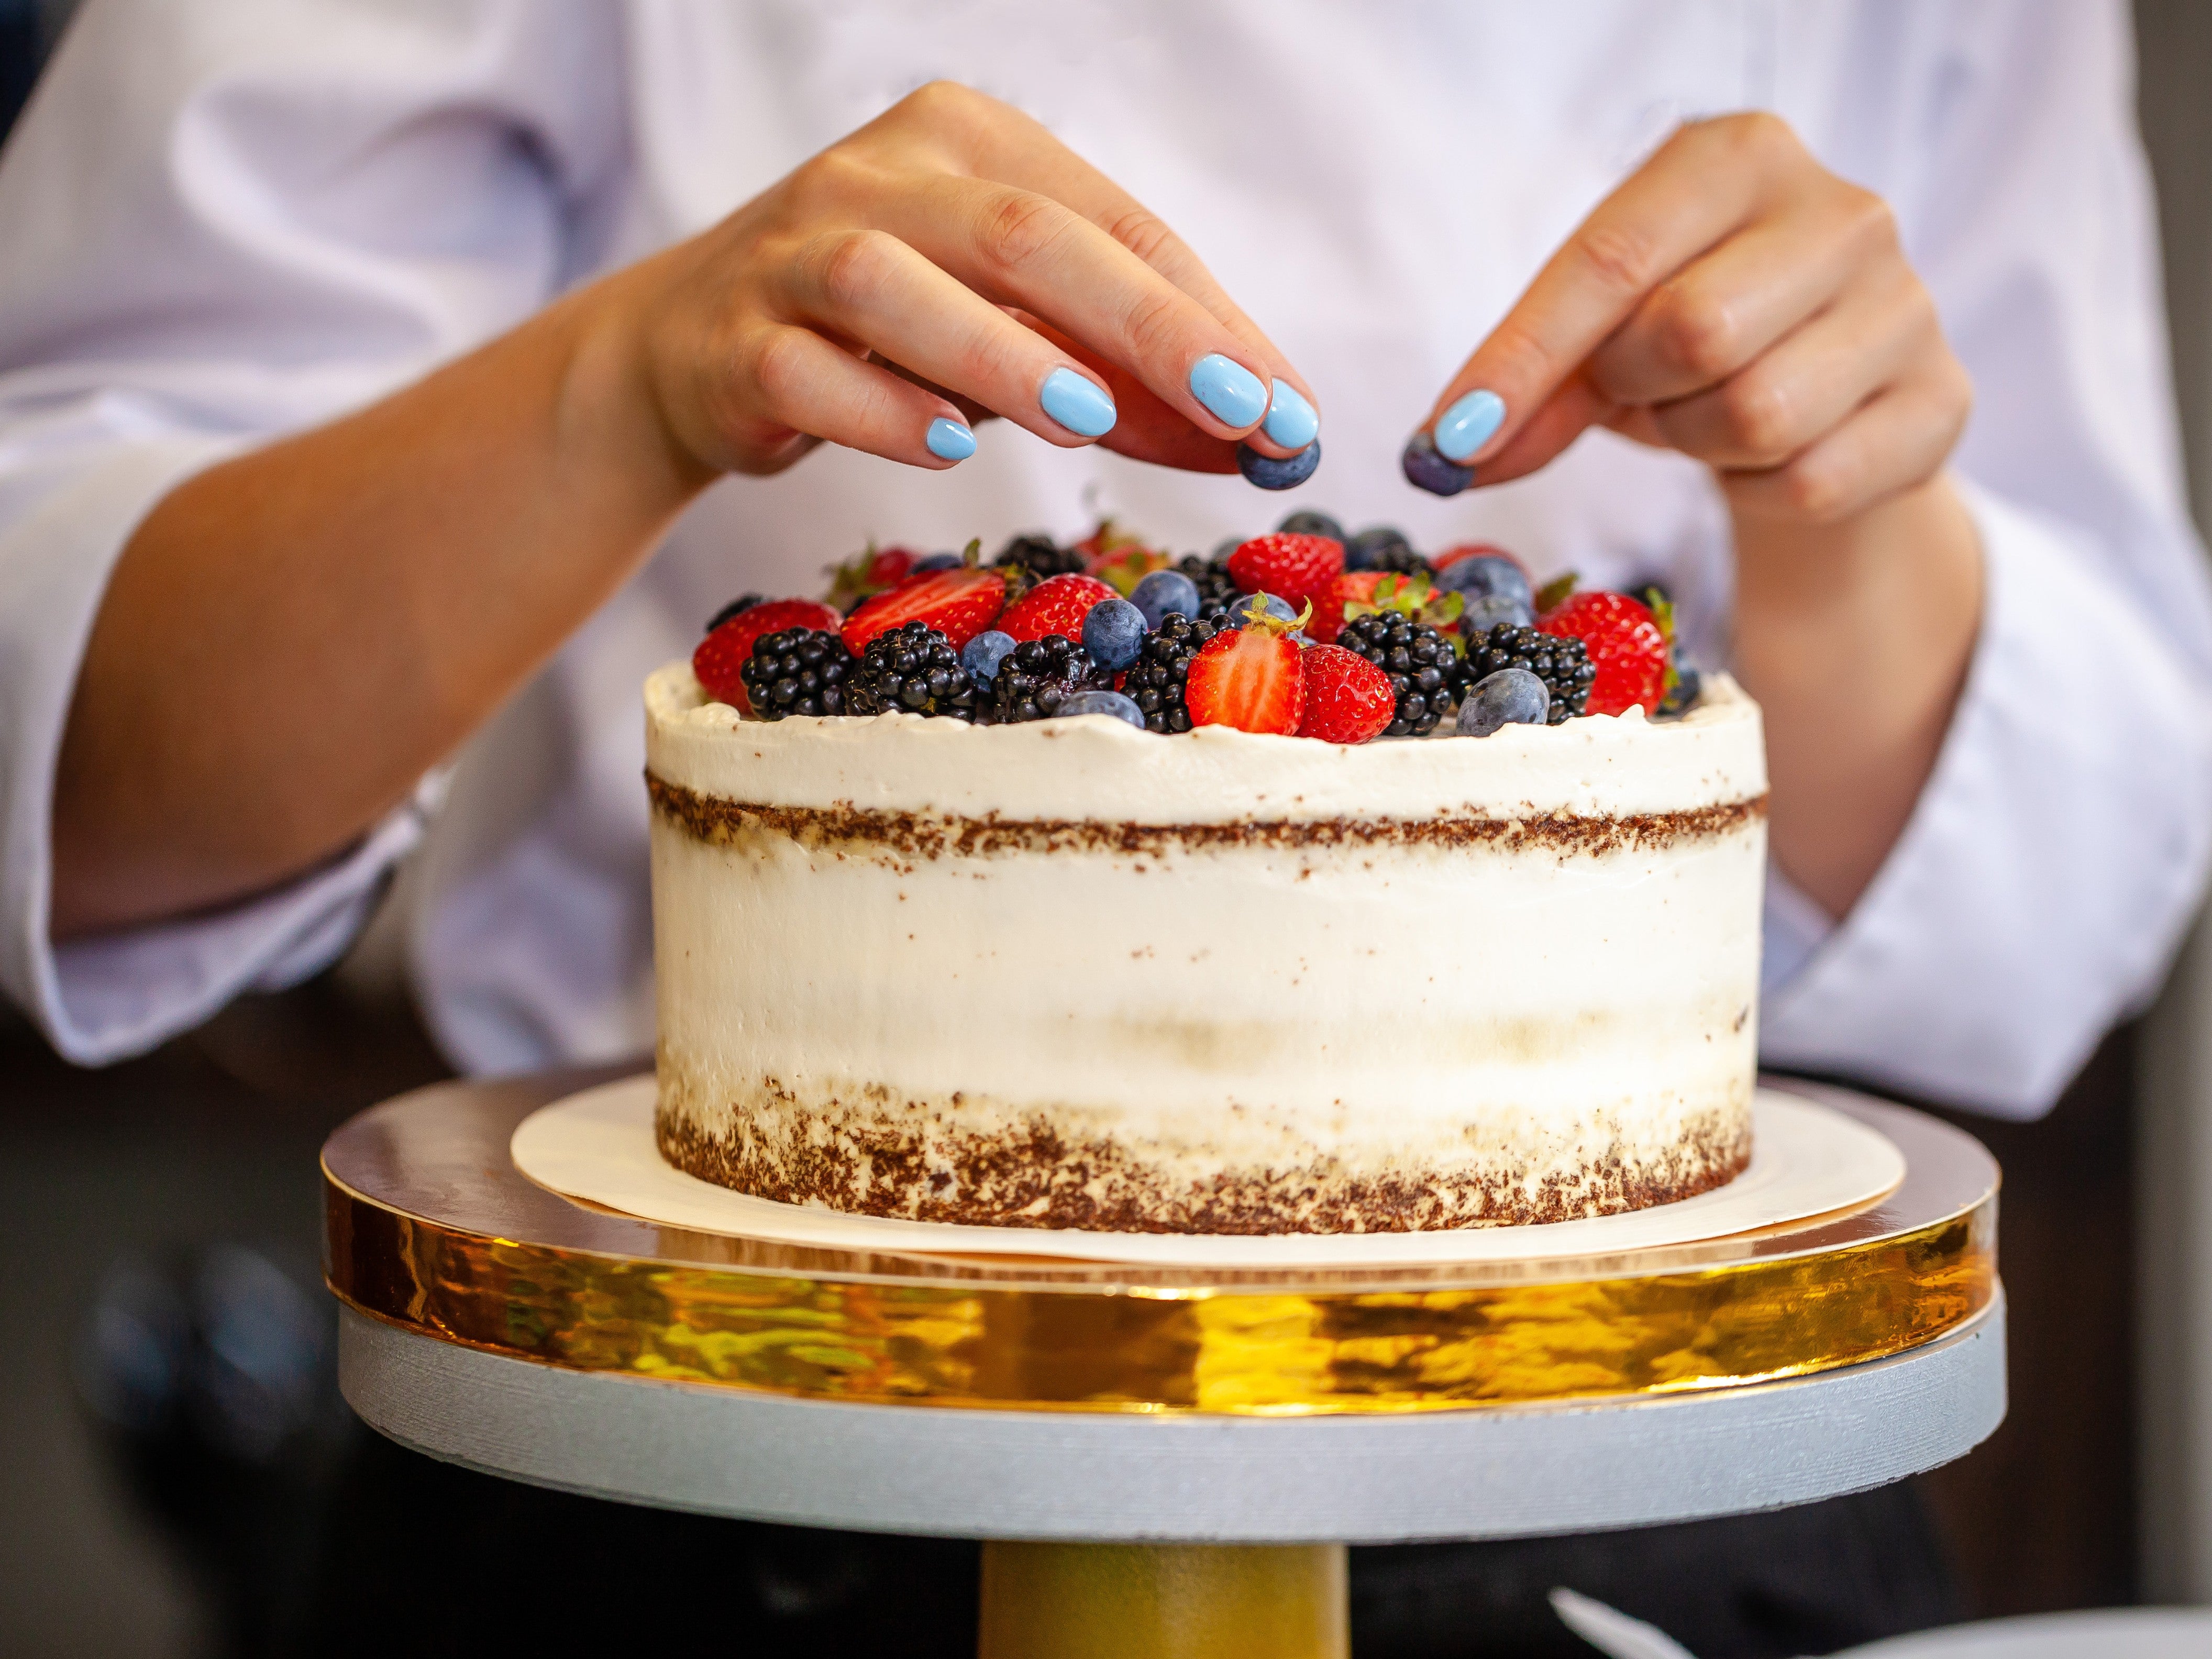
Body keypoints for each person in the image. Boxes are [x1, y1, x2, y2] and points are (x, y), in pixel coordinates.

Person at [1, 2, 2205, 1652]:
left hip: (1647, 1474)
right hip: (698, 1475)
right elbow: (79, 765)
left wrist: (1832, 514)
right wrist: (624, 383)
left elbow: (2069, 890)